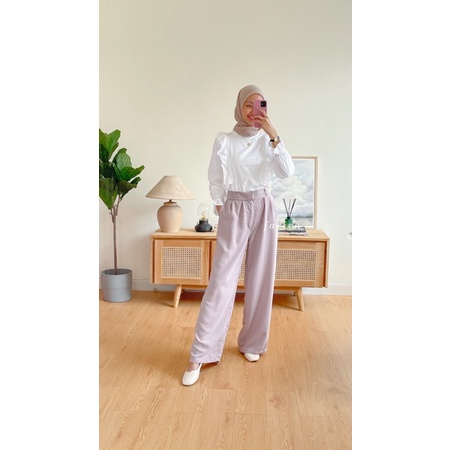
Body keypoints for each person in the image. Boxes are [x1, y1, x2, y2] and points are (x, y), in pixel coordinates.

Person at [182, 84, 295, 386]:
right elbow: (215, 178)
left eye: (261, 105)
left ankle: (253, 342)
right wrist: (222, 206)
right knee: (221, 280)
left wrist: (273, 133)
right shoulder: (225, 140)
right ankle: (200, 353)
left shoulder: (269, 141)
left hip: (264, 206)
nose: (254, 111)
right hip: (234, 207)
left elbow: (286, 172)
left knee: (261, 276)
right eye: (248, 105)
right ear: (239, 107)